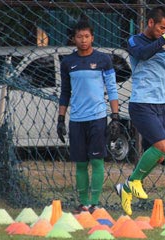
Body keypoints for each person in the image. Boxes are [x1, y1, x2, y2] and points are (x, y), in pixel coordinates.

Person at [114, 6, 165, 216]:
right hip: (142, 104)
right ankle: (134, 182)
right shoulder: (135, 41)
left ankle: (128, 186)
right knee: (163, 146)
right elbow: (142, 54)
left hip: (160, 105)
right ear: (150, 23)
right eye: (161, 28)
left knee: (162, 155)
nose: (163, 31)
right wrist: (164, 39)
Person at [57, 20, 121, 214]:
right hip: (77, 119)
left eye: (86, 36)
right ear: (74, 39)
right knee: (81, 163)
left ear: (92, 38)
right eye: (79, 37)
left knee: (97, 161)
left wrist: (115, 116)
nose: (83, 40)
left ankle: (95, 203)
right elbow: (65, 92)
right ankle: (83, 203)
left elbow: (111, 88)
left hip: (98, 118)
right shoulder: (68, 62)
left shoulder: (103, 60)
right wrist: (61, 119)